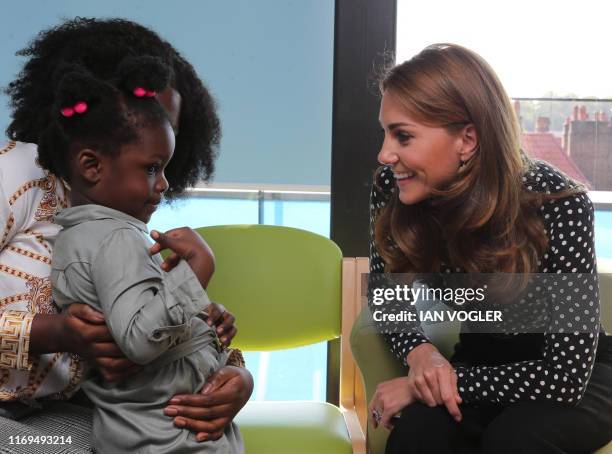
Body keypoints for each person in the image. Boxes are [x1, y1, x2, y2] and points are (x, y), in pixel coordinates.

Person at [1, 18, 251, 449]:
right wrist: (53, 332)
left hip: (62, 415)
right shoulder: (18, 173)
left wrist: (236, 378)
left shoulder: (124, 218)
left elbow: (155, 333)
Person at [367, 43, 612, 453]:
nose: (385, 153)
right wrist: (420, 355)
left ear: (467, 139)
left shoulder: (559, 202)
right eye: (385, 132)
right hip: (480, 358)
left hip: (580, 377)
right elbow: (385, 293)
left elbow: (566, 377)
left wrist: (431, 385)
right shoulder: (392, 186)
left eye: (403, 136)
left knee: (513, 442)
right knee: (416, 438)